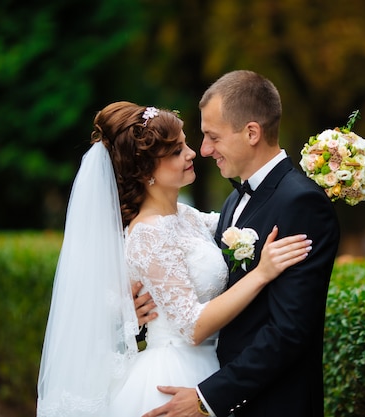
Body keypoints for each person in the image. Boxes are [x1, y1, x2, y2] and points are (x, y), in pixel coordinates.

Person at [36, 101, 312, 417]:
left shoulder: (187, 216)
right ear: (145, 171)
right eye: (176, 151)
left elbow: (252, 221)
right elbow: (192, 326)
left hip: (213, 366)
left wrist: (309, 187)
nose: (193, 153)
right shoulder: (147, 233)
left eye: (185, 144)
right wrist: (261, 273)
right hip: (174, 375)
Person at [143, 70, 341, 417]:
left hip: (276, 404)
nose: (203, 150)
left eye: (212, 137)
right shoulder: (234, 201)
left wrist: (208, 398)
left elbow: (289, 331)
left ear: (252, 132)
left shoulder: (302, 203)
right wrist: (145, 310)